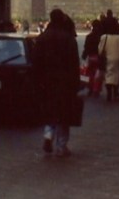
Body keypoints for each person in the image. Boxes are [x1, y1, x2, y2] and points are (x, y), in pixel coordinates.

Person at [33, 8, 80, 157]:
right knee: (64, 114)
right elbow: (74, 63)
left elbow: (36, 62)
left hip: (46, 81)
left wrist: (37, 81)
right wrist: (76, 82)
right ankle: (61, 146)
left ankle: (48, 135)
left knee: (50, 111)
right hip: (64, 82)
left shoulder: (42, 39)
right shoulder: (68, 39)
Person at [98, 14, 119, 101]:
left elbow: (100, 50)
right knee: (117, 76)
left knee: (108, 76)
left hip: (107, 59)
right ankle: (116, 90)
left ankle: (109, 92)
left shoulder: (104, 37)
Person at [82, 18, 103, 96]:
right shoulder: (102, 37)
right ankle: (96, 89)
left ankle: (90, 88)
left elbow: (86, 47)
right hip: (99, 57)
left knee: (90, 73)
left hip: (91, 56)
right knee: (99, 74)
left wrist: (84, 55)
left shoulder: (89, 36)